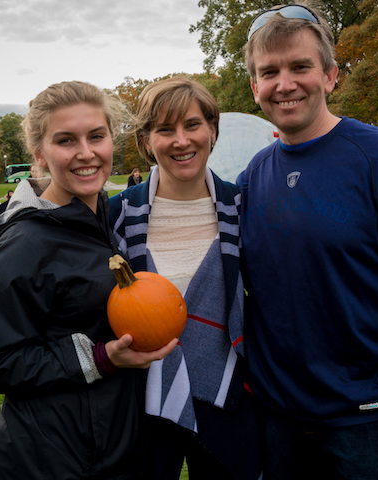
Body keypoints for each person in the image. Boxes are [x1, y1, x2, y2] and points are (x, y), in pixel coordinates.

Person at [238, 4, 378, 480]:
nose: (285, 83)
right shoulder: (254, 174)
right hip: (278, 416)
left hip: (368, 418)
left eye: (300, 67)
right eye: (269, 72)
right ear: (255, 87)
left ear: (331, 76)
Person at [0, 80, 177, 480]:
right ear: (40, 155)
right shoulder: (25, 244)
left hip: (105, 445)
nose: (86, 153)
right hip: (51, 458)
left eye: (96, 136)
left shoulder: (98, 217)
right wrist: (99, 358)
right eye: (66, 140)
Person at [109, 77, 261, 480]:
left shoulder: (242, 206)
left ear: (212, 130)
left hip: (228, 392)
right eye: (164, 129)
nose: (181, 141)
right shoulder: (116, 214)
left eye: (192, 125)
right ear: (146, 141)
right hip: (145, 396)